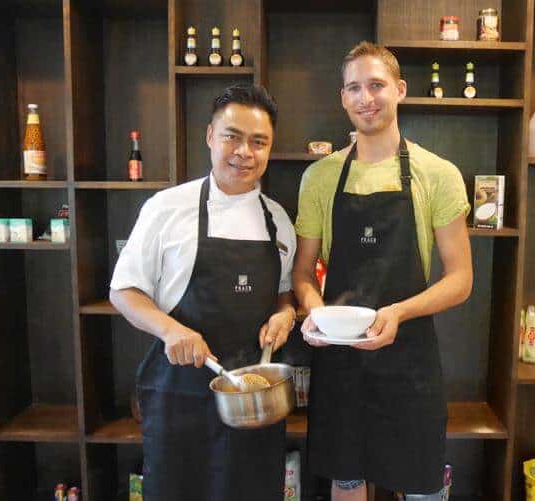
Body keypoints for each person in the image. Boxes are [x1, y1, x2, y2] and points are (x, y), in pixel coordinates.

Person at [293, 42, 473, 500]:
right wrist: (314, 313)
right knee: (347, 479)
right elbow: (302, 274)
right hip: (340, 360)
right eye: (354, 87)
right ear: (342, 98)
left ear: (401, 90)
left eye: (376, 85)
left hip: (409, 359)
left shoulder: (438, 174)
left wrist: (397, 313)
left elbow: (460, 280)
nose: (365, 97)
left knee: (422, 482)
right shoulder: (320, 178)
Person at [110, 84, 297, 500]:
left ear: (269, 148)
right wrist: (171, 331)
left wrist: (286, 315)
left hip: (252, 398)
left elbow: (283, 292)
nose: (244, 151)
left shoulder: (278, 220)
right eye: (232, 136)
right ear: (210, 136)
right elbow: (123, 291)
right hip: (179, 395)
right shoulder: (166, 208)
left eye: (258, 141)